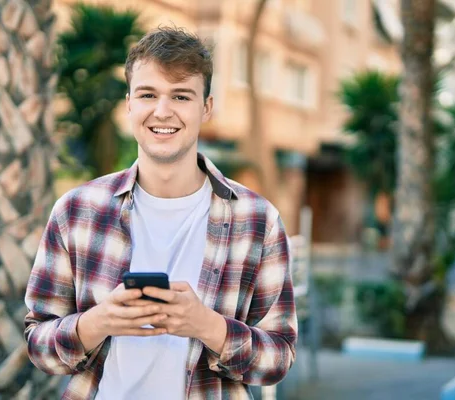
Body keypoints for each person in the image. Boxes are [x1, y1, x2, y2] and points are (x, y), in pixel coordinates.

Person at [24, 26, 297, 400]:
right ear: (129, 105)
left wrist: (207, 326)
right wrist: (98, 322)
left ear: (206, 108)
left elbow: (279, 357)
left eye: (181, 95)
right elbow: (39, 346)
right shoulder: (76, 210)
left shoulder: (257, 220)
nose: (162, 111)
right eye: (148, 94)